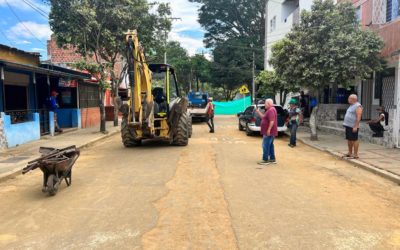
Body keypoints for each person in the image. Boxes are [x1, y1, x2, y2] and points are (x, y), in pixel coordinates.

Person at [255, 99, 278, 165]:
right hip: (269, 131)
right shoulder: (269, 110)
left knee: (265, 145)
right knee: (270, 145)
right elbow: (263, 117)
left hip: (269, 132)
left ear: (268, 103)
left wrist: (268, 130)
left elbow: (272, 121)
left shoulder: (271, 110)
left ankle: (265, 160)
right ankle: (272, 159)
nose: (264, 104)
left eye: (265, 103)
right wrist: (258, 111)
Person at [343, 94, 362, 159]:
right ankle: (350, 152)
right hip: (348, 125)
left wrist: (356, 126)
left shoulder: (358, 106)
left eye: (349, 98)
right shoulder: (351, 105)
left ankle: (355, 154)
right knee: (349, 139)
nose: (348, 99)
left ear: (353, 99)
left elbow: (358, 117)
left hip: (353, 126)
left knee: (354, 139)